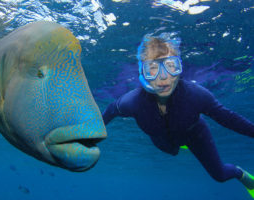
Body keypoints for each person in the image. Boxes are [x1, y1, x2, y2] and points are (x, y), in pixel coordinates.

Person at [102, 32, 254, 196]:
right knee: (171, 151)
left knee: (220, 175)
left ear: (180, 67)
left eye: (170, 65)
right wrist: (88, 138)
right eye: (152, 68)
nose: (163, 76)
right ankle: (180, 146)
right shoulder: (132, 102)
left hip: (195, 135)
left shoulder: (197, 96)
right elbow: (110, 111)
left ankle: (241, 174)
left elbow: (230, 119)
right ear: (142, 73)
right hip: (162, 140)